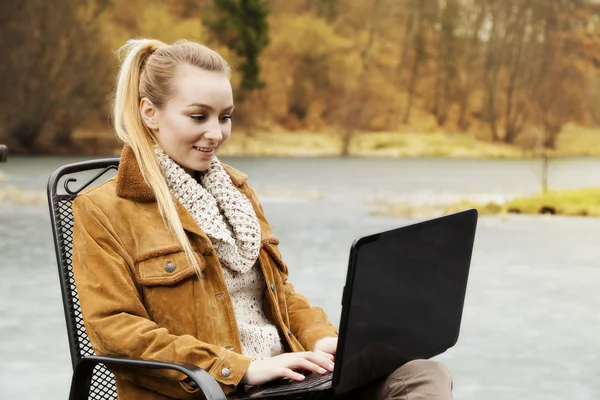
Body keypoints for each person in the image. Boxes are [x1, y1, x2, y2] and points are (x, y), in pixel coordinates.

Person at [72, 38, 453, 400]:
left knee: (420, 374)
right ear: (149, 113)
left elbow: (279, 294)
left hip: (288, 377)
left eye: (225, 117)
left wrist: (322, 338)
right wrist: (240, 369)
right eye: (198, 116)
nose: (216, 133)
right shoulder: (103, 210)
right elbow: (115, 331)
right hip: (217, 390)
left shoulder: (237, 192)